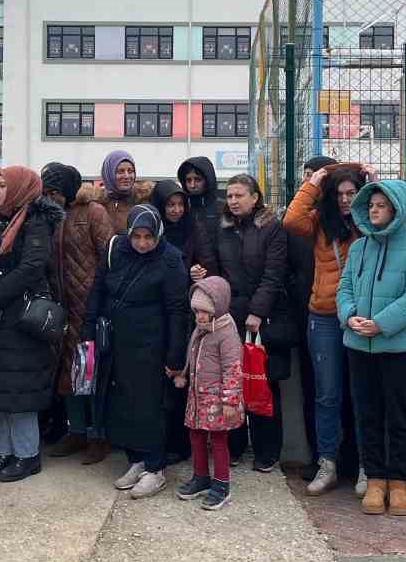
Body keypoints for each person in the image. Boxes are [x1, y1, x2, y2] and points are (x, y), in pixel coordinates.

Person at [337, 179, 406, 516]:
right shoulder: (359, 248)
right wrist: (350, 316)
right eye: (372, 205)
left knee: (400, 416)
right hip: (359, 345)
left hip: (400, 348)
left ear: (397, 208)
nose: (374, 210)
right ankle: (375, 478)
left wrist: (381, 323)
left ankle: (399, 482)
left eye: (381, 205)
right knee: (368, 415)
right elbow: (345, 287)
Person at [85, 204, 189, 498]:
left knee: (150, 406)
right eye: (137, 236)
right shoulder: (115, 249)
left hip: (151, 345)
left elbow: (177, 311)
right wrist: (89, 328)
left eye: (148, 237)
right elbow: (98, 290)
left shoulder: (170, 261)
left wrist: (174, 355)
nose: (142, 243)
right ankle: (136, 459)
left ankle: (155, 468)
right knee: (124, 402)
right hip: (117, 342)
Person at [0, 166, 61, 482]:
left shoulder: (36, 222)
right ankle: (4, 452)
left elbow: (32, 267)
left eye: (3, 185)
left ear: (20, 189)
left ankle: (27, 455)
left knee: (20, 390)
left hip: (20, 316)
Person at [282, 162, 365, 496]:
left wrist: (372, 178)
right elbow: (291, 219)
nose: (345, 200)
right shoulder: (320, 223)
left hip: (362, 319)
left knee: (362, 396)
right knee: (327, 395)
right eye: (340, 194)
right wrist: (316, 181)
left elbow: (396, 211)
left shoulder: (369, 223)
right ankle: (326, 463)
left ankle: (365, 466)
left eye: (352, 193)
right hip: (324, 316)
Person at [41, 163, 115, 464]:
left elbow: (111, 257)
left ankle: (99, 435)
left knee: (93, 372)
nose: (51, 197)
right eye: (47, 192)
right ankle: (76, 430)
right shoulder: (49, 216)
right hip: (63, 309)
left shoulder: (93, 213)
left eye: (55, 191)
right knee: (68, 374)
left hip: (91, 307)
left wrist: (103, 303)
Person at [215, 174, 288, 472]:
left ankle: (267, 451)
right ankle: (234, 446)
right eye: (229, 196)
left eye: (239, 196)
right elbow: (218, 270)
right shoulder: (223, 229)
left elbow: (274, 274)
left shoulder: (271, 228)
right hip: (230, 315)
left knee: (263, 382)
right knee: (232, 382)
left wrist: (257, 311)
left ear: (255, 197)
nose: (232, 201)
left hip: (264, 317)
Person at [175, 276, 244, 511]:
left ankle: (222, 485)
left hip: (218, 400)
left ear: (218, 307)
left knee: (218, 440)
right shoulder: (200, 330)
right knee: (195, 435)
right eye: (196, 311)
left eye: (205, 311)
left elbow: (233, 368)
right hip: (198, 397)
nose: (200, 316)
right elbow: (191, 353)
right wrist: (182, 374)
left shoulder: (226, 334)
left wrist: (230, 400)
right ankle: (201, 477)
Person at [177, 157, 224, 280]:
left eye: (197, 179)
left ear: (208, 180)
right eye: (188, 180)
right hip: (189, 274)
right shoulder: (181, 208)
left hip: (221, 274)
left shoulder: (223, 207)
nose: (192, 185)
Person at [95, 150, 149, 230]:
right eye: (120, 171)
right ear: (108, 174)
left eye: (130, 171)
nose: (127, 176)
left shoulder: (143, 202)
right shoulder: (96, 204)